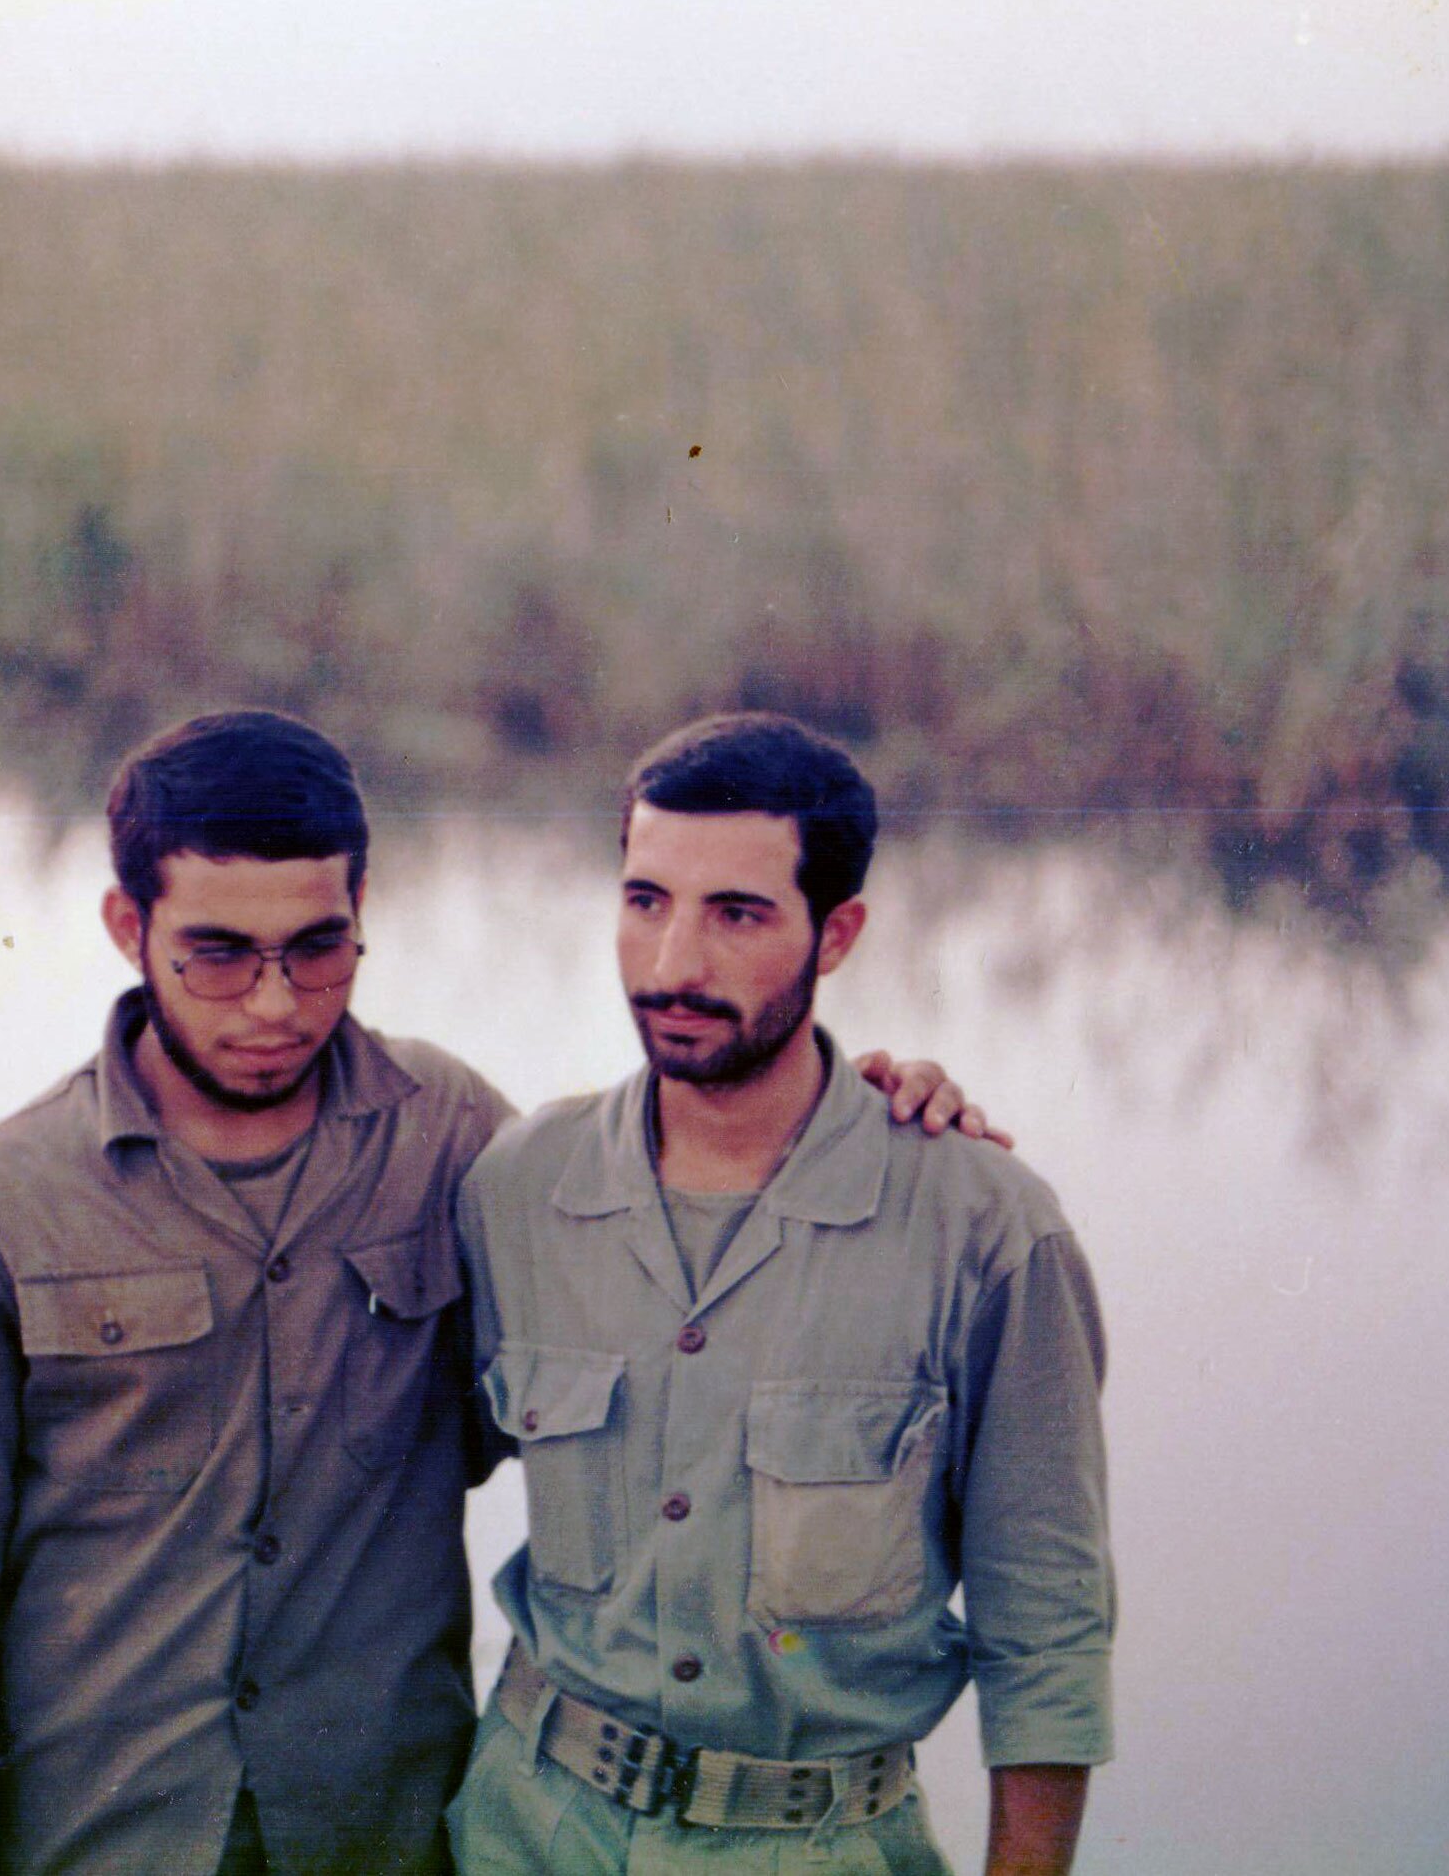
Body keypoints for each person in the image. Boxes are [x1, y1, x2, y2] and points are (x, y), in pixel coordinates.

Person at [0, 708, 993, 1876]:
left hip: (389, 1844)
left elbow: (669, 1318)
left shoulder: (456, 1138)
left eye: (319, 948)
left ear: (363, 913)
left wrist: (851, 1115)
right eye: (219, 954)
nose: (274, 1004)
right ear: (126, 926)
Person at [451, 712, 1114, 1876]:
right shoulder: (517, 1187)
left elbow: (1048, 1635)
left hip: (818, 1844)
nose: (672, 965)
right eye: (645, 900)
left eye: (738, 914)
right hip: (526, 1831)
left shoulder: (984, 1229)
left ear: (837, 932)